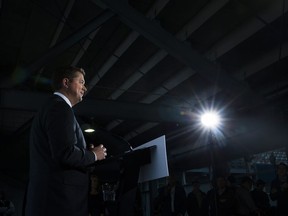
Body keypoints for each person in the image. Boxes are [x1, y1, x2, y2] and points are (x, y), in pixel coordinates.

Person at [24, 66, 107, 216]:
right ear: (66, 82)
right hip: (59, 202)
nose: (85, 88)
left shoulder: (52, 107)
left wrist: (84, 153)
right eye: (81, 82)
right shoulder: (60, 108)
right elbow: (65, 152)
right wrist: (94, 155)